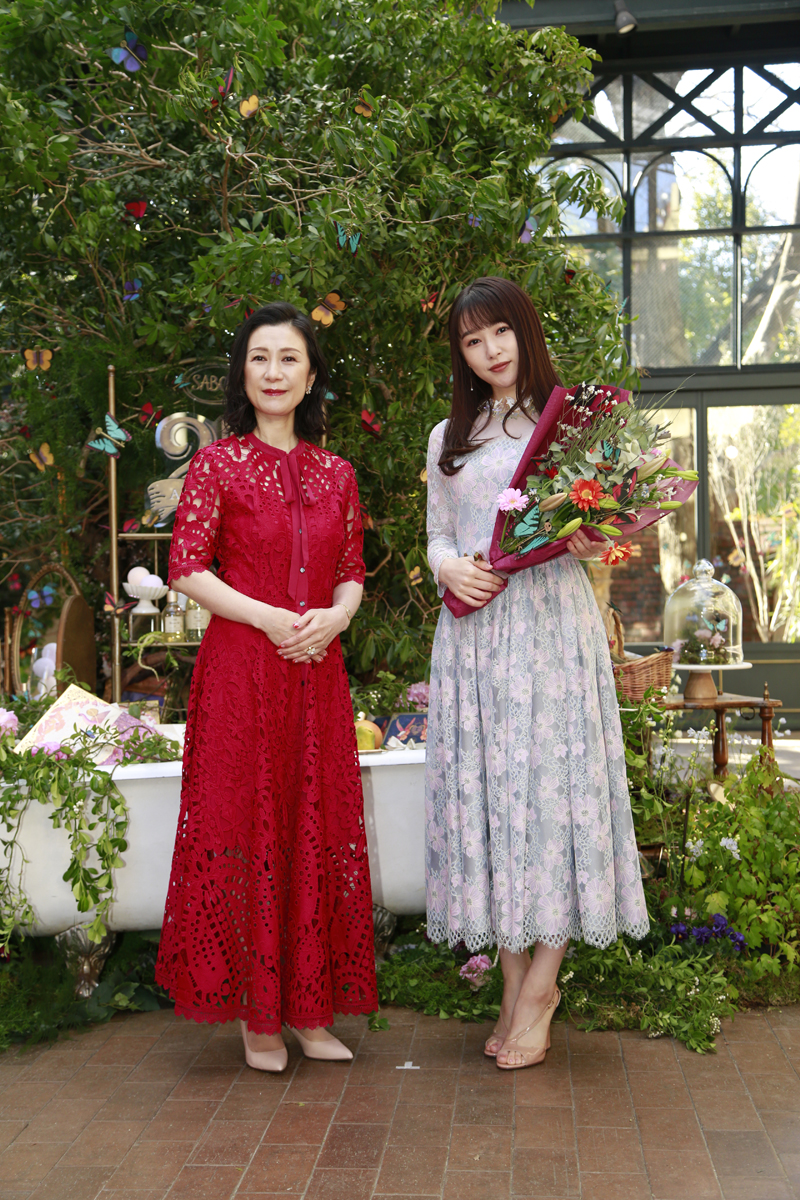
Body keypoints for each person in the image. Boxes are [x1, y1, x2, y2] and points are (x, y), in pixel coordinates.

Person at [425, 277, 649, 1070]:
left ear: (525, 332)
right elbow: (437, 535)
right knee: (491, 798)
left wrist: (593, 536)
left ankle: (543, 985)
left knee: (554, 795)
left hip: (551, 630)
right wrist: (449, 568)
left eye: (501, 332)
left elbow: (599, 531)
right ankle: (514, 983)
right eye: (472, 340)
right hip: (476, 635)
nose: (490, 351)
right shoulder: (448, 435)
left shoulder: (573, 431)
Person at [155, 302, 378, 1072]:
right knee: (245, 827)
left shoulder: (337, 474)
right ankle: (258, 1020)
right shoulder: (216, 465)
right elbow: (187, 567)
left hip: (316, 675)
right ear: (242, 375)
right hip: (242, 675)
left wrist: (336, 618)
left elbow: (351, 569)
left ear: (311, 377)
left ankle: (311, 1012)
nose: (274, 372)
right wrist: (270, 617)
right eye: (260, 358)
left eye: (289, 359)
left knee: (313, 827)